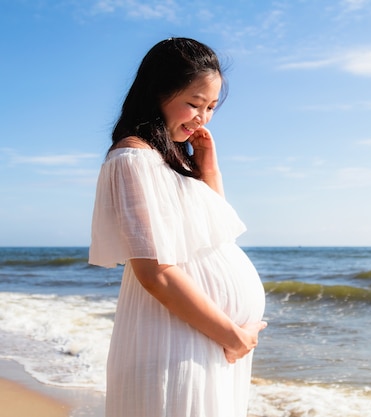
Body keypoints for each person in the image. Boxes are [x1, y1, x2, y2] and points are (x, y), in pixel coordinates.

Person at [88, 37, 267, 417]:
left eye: (212, 107)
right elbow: (155, 273)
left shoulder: (169, 160)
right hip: (175, 341)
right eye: (194, 103)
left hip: (201, 339)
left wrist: (209, 166)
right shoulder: (132, 159)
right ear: (157, 92)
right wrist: (232, 336)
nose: (202, 118)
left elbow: (217, 229)